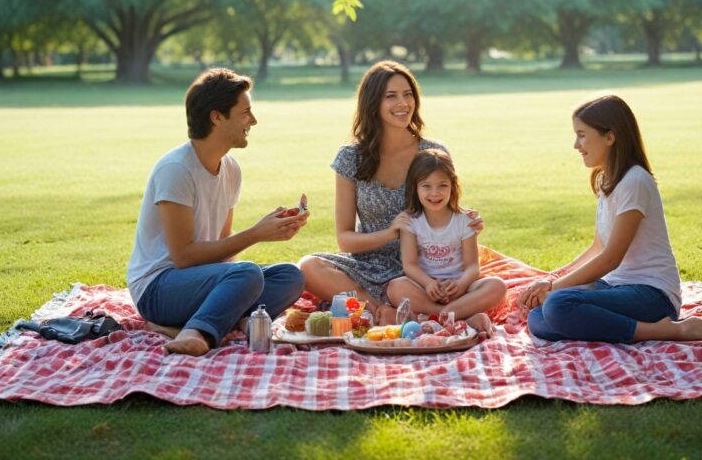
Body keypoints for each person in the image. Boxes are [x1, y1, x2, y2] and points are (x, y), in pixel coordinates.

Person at [127, 68, 307, 357]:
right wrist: (254, 235)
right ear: (217, 116)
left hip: (197, 282)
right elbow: (183, 257)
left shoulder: (231, 169)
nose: (254, 120)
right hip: (158, 288)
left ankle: (213, 319)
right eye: (246, 112)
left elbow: (224, 250)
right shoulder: (176, 169)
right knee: (247, 273)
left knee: (290, 276)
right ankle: (196, 333)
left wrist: (271, 231)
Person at [518, 95, 702, 343]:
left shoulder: (634, 182)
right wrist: (551, 279)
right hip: (614, 287)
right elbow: (597, 248)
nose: (576, 144)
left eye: (582, 134)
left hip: (652, 295)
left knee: (557, 305)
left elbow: (611, 257)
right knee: (538, 316)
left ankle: (670, 330)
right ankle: (610, 326)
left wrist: (554, 288)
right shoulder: (606, 180)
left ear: (610, 137)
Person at [297, 61, 482, 324]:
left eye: (408, 94)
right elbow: (345, 240)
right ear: (373, 103)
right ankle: (379, 310)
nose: (403, 103)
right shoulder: (351, 157)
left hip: (423, 265)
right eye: (391, 96)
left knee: (486, 284)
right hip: (366, 266)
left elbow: (446, 210)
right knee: (308, 267)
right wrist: (390, 233)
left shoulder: (432, 151)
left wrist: (468, 220)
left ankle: (414, 310)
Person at [386, 149, 506, 328]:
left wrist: (461, 284)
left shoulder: (465, 221)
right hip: (426, 289)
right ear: (415, 187)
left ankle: (438, 316)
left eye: (442, 185)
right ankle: (456, 317)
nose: (435, 193)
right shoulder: (410, 220)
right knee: (395, 287)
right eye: (426, 186)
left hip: (461, 290)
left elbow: (472, 266)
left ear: (452, 186)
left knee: (498, 286)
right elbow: (410, 265)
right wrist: (428, 284)